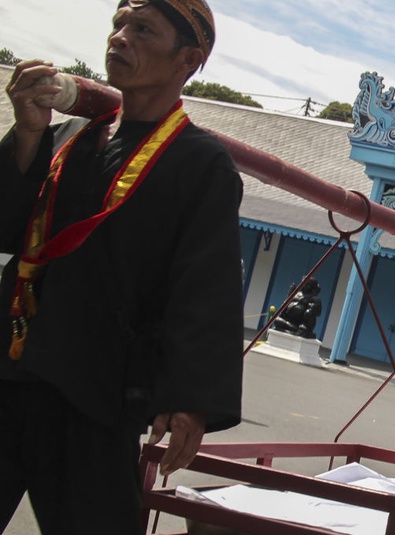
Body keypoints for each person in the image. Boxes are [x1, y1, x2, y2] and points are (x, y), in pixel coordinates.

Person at [0, 1, 244, 533]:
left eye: (141, 29)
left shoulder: (202, 164)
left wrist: (190, 400)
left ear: (189, 59)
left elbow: (205, 288)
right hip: (10, 366)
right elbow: (8, 230)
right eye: (118, 25)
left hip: (94, 393)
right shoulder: (68, 138)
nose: (119, 38)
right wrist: (25, 135)